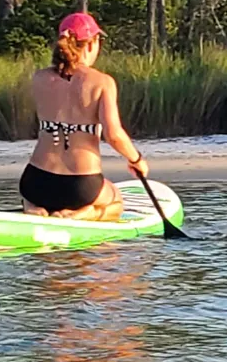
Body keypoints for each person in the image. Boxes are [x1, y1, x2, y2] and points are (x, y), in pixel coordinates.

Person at [20, 12, 150, 222]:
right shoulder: (102, 82)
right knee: (116, 201)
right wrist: (136, 159)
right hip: (80, 186)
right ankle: (83, 214)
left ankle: (34, 209)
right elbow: (114, 134)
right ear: (91, 44)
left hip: (36, 182)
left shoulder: (39, 78)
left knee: (32, 197)